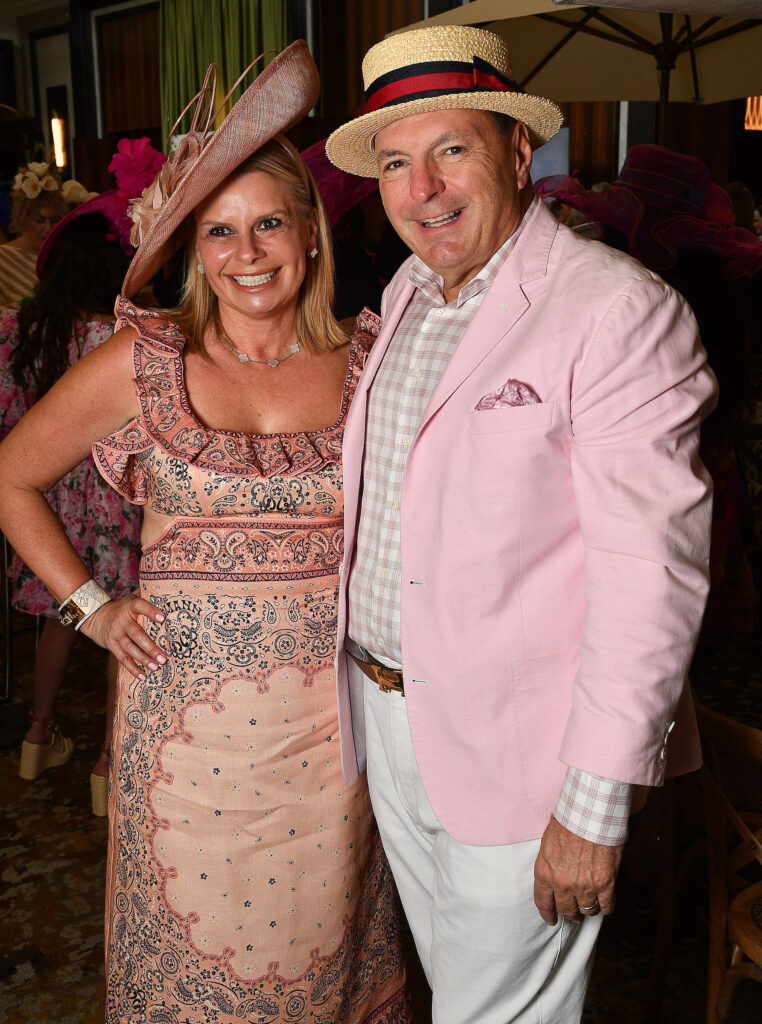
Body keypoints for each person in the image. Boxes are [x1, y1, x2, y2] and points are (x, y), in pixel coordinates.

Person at [0, 43, 410, 1023]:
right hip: (182, 738)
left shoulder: (372, 357)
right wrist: (93, 610)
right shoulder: (140, 362)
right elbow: (12, 475)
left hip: (331, 733)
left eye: (269, 222)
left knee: (327, 958)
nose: (248, 252)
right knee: (197, 968)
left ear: (309, 233)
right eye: (219, 230)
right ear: (189, 246)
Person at [325, 25, 717, 1023]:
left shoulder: (615, 309)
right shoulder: (409, 290)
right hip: (392, 717)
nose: (423, 189)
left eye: (450, 149)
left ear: (515, 150)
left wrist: (592, 803)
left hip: (525, 754)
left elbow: (651, 577)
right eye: (398, 164)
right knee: (457, 992)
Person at [2, 206, 142, 812]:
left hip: (47, 495)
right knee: (122, 626)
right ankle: (109, 766)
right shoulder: (123, 340)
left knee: (67, 613)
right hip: (113, 500)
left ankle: (38, 731)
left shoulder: (17, 331)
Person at [0, 163, 93, 310]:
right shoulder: (3, 259)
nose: (48, 228)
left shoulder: (65, 255)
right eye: (40, 221)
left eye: (55, 220)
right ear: (22, 218)